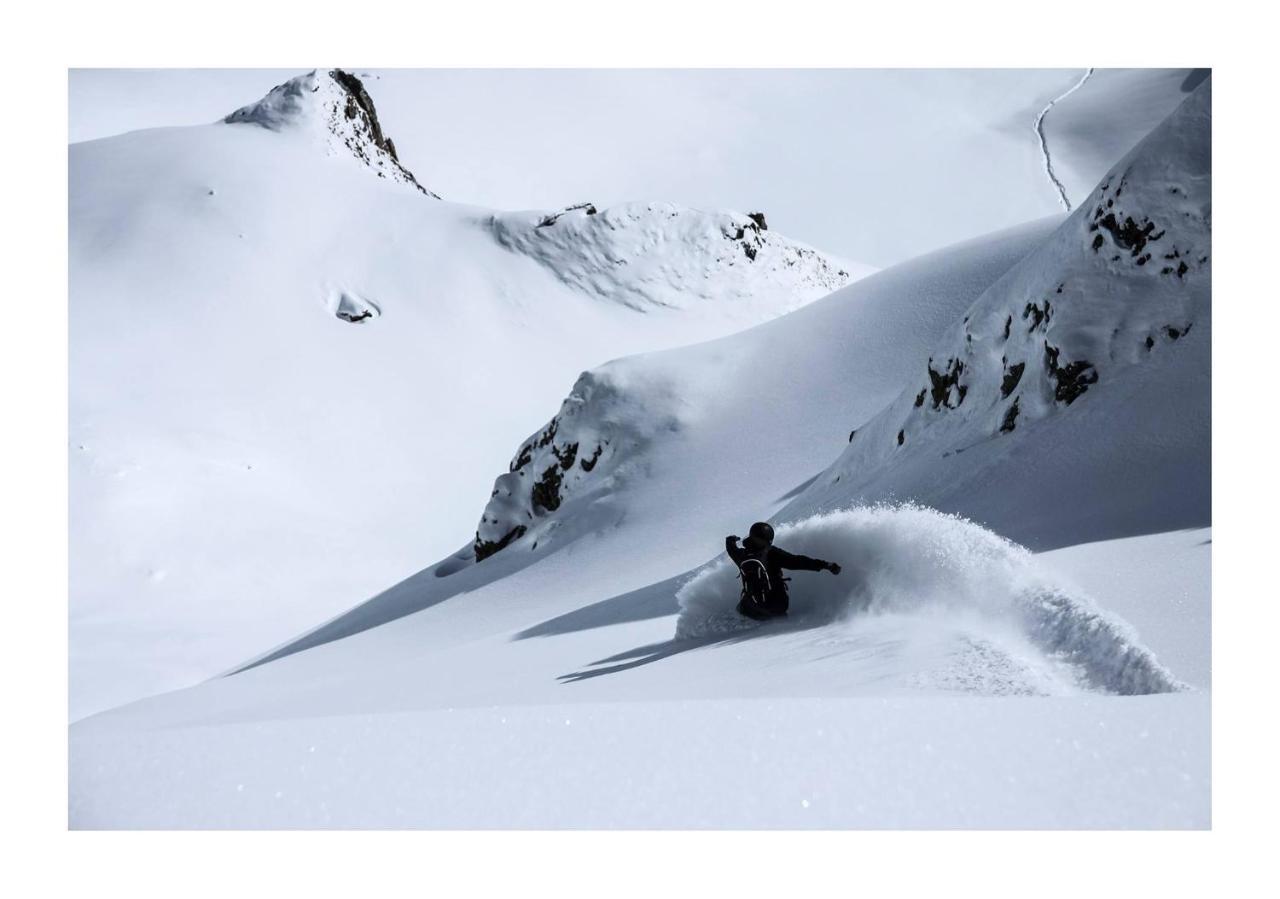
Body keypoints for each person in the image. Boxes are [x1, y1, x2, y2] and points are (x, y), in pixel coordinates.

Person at [726, 521, 841, 621]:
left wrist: (730, 540)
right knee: (776, 614)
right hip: (776, 607)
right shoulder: (771, 553)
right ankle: (781, 625)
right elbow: (797, 561)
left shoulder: (742, 555)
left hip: (751, 607)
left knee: (740, 609)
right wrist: (826, 565)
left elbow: (731, 550)